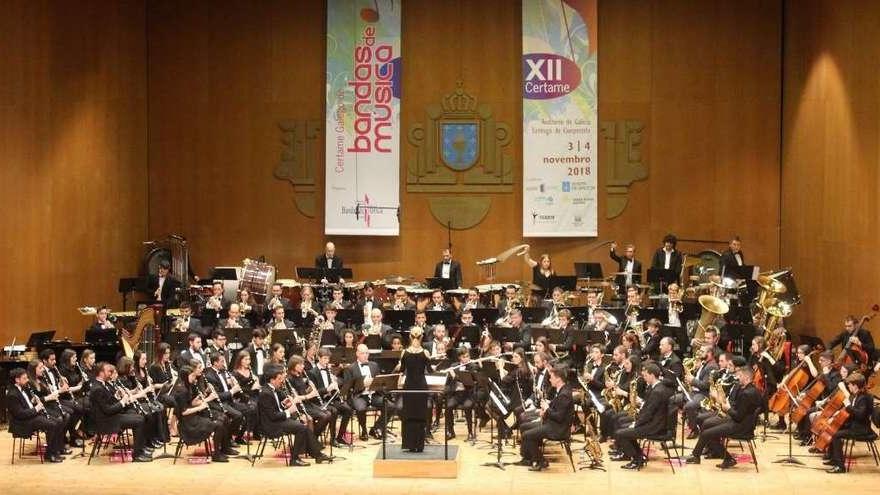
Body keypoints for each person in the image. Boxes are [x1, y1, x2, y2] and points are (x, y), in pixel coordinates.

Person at [685, 363, 763, 469]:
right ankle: (700, 455)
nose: (737, 378)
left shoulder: (747, 394)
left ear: (747, 377)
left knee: (707, 434)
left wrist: (727, 408)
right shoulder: (751, 390)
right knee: (707, 426)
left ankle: (722, 458)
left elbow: (738, 416)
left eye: (740, 376)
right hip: (742, 422)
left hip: (741, 426)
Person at [258, 364, 331, 466]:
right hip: (271, 425)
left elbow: (278, 406)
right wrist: (289, 411)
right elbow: (272, 416)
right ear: (272, 380)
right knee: (301, 428)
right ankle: (296, 459)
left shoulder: (275, 389)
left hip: (278, 420)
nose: (281, 381)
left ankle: (317, 455)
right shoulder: (265, 393)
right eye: (279, 379)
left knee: (303, 426)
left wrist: (285, 404)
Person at [612, 362, 672, 469]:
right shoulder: (658, 387)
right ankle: (639, 457)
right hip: (653, 423)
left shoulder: (657, 391)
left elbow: (648, 413)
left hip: (654, 427)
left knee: (621, 433)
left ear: (652, 375)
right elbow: (648, 410)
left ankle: (636, 459)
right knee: (623, 428)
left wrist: (636, 424)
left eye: (645, 375)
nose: (644, 378)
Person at [90, 362, 152, 462]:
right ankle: (137, 455)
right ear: (101, 373)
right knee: (139, 421)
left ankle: (140, 449)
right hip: (107, 422)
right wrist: (123, 402)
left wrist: (119, 397)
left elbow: (109, 402)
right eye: (108, 371)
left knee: (141, 417)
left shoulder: (102, 384)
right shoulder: (97, 388)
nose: (110, 373)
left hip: (112, 417)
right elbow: (108, 410)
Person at [517, 364, 574, 471]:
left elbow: (559, 417)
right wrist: (547, 406)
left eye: (551, 377)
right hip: (553, 424)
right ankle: (528, 458)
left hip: (558, 429)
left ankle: (540, 461)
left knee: (527, 435)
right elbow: (557, 407)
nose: (549, 379)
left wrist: (547, 409)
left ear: (558, 379)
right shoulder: (562, 390)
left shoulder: (564, 394)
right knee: (525, 427)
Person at [7, 367, 68, 462]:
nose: (27, 380)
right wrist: (36, 408)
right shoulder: (12, 394)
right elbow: (20, 414)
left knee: (58, 421)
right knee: (52, 425)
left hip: (32, 416)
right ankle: (49, 454)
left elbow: (28, 403)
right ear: (17, 380)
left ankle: (56, 450)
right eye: (24, 378)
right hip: (22, 423)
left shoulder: (24, 388)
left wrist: (34, 401)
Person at [825, 372, 875, 473]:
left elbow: (860, 415)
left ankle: (840, 466)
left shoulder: (864, 397)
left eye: (850, 385)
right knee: (834, 428)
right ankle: (834, 458)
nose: (848, 387)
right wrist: (836, 417)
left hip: (861, 429)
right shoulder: (856, 395)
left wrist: (848, 406)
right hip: (854, 425)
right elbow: (852, 412)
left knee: (836, 435)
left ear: (855, 386)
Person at [344, 344, 395, 440]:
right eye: (363, 353)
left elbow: (380, 382)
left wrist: (375, 384)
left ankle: (376, 428)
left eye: (367, 353)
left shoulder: (374, 365)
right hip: (359, 395)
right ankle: (363, 430)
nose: (365, 355)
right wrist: (363, 384)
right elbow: (348, 388)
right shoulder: (350, 368)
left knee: (391, 406)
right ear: (357, 354)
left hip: (374, 394)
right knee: (360, 408)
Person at [308, 348, 353, 446]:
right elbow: (314, 392)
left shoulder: (328, 370)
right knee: (334, 411)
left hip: (329, 399)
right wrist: (328, 389)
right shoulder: (312, 372)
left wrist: (335, 384)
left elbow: (332, 386)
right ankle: (332, 440)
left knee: (348, 409)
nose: (326, 361)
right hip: (317, 402)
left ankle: (340, 437)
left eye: (328, 359)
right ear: (318, 358)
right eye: (324, 359)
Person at [399, 327, 431, 452]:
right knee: (420, 414)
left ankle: (409, 444)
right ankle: (419, 445)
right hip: (421, 386)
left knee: (409, 414)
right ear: (422, 337)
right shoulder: (426, 352)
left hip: (409, 386)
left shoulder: (404, 353)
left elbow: (402, 370)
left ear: (410, 337)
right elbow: (430, 370)